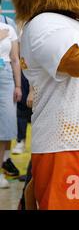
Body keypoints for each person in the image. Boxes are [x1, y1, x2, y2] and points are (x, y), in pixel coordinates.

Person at [0, 21, 22, 188]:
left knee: (5, 127)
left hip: (6, 76)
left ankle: (1, 171)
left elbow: (15, 59)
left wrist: (18, 85)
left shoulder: (9, 29)